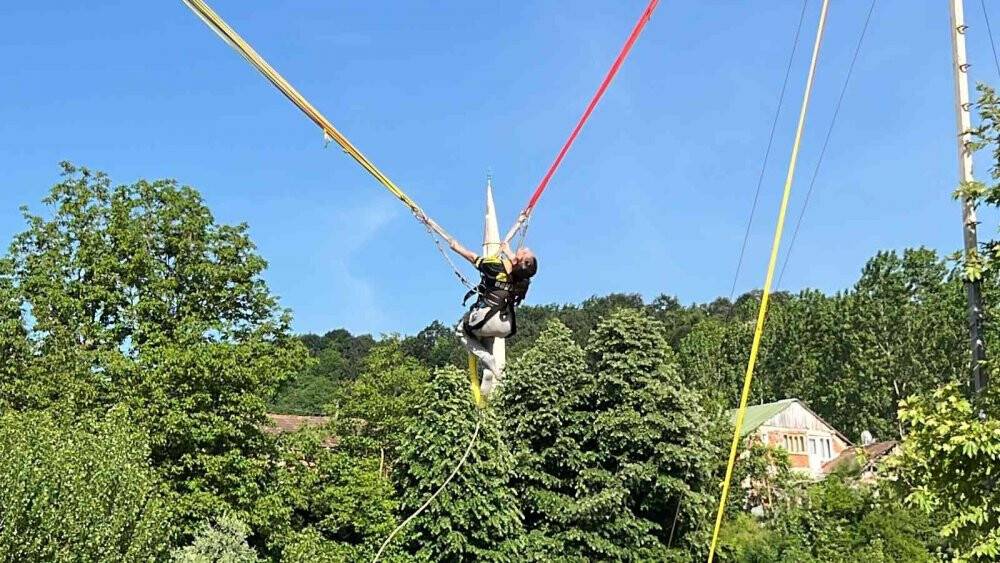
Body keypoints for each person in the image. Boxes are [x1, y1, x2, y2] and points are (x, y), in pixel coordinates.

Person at [449, 238, 538, 393]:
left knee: (461, 331)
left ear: (518, 259)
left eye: (524, 252)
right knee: (488, 343)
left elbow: (473, 258)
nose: (526, 247)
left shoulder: (495, 266)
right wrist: (507, 250)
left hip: (487, 318)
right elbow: (515, 266)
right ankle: (487, 383)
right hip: (505, 324)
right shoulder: (522, 279)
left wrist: (457, 247)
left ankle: (487, 358)